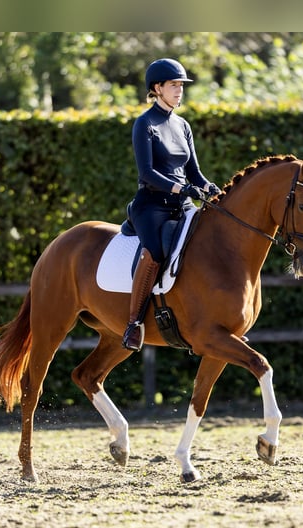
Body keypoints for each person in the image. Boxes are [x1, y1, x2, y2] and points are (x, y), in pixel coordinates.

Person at [122, 58, 222, 352]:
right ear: (157, 88)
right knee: (154, 252)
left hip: (182, 205)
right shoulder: (145, 124)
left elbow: (194, 173)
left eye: (181, 86)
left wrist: (209, 188)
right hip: (151, 206)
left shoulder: (182, 125)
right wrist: (182, 188)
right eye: (174, 86)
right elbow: (147, 173)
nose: (180, 91)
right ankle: (133, 323)